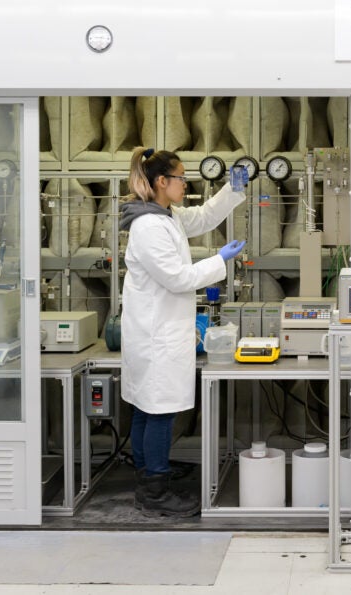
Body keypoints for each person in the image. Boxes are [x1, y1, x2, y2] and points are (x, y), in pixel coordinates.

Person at [119, 147, 247, 515]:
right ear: (162, 182)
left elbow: (204, 216)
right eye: (180, 178)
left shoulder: (166, 216)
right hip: (156, 337)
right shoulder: (148, 227)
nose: (185, 183)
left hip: (156, 333)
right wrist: (219, 260)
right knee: (158, 412)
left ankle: (149, 478)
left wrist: (233, 189)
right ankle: (155, 494)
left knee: (148, 408)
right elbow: (177, 278)